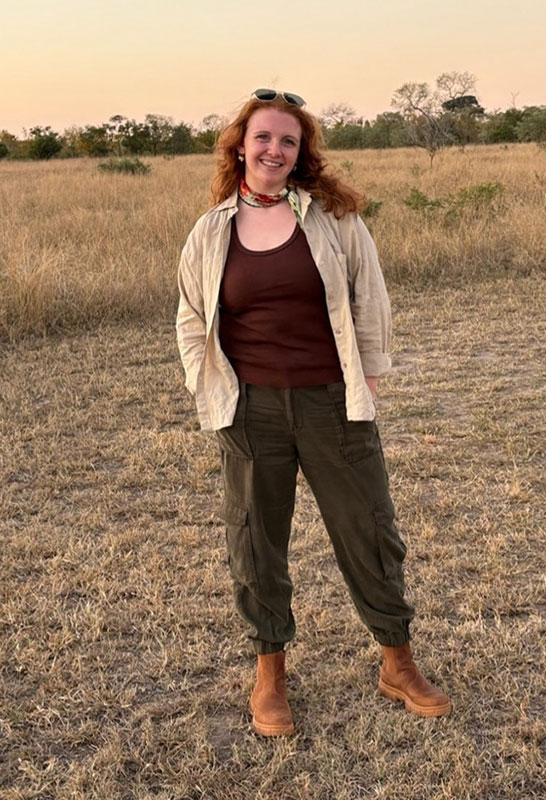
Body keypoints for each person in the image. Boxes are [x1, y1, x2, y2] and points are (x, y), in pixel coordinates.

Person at [176, 89, 451, 736]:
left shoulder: (333, 218)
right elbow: (192, 317)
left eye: (288, 141)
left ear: (301, 154)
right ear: (240, 146)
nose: (274, 149)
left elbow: (369, 294)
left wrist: (372, 375)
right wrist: (206, 387)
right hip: (250, 412)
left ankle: (398, 663)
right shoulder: (211, 230)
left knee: (370, 533)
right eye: (264, 137)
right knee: (254, 542)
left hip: (334, 402)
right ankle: (269, 674)